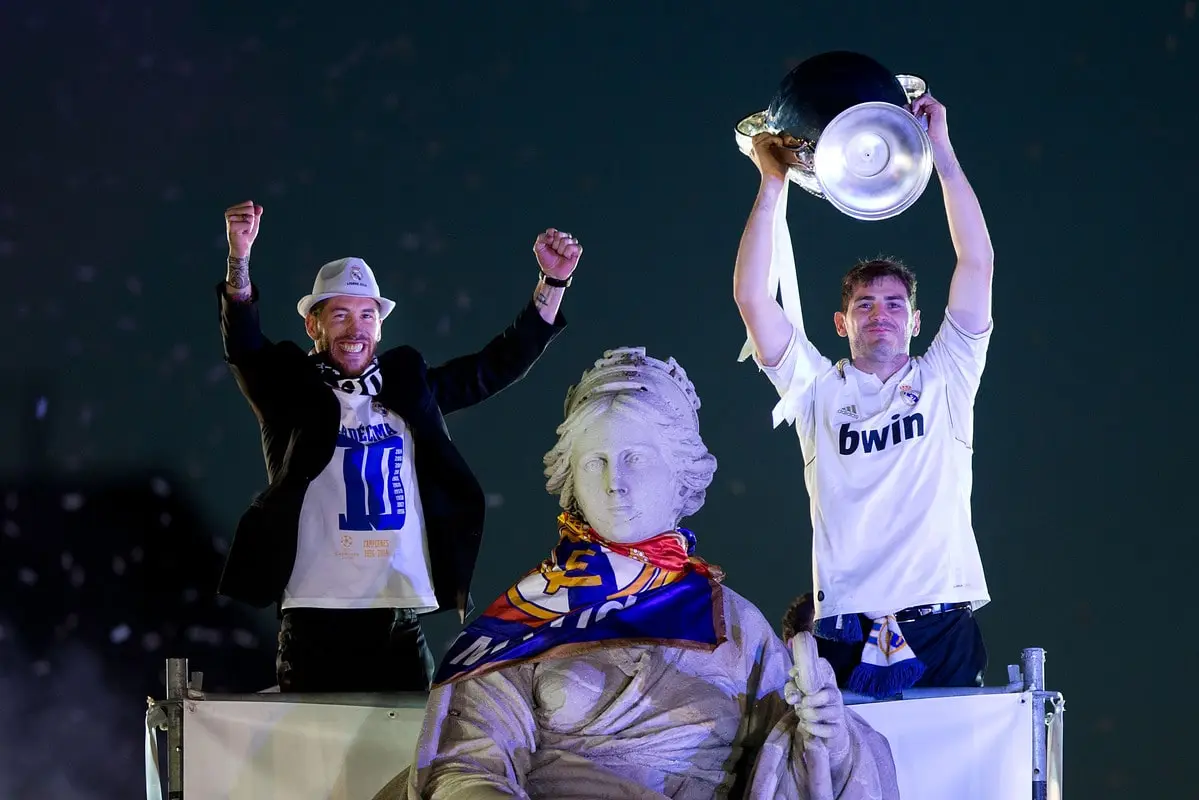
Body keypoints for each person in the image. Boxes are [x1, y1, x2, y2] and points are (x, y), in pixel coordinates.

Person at [377, 347, 899, 799]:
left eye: (636, 459)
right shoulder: (525, 616)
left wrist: (828, 738)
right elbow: (464, 766)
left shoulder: (736, 627)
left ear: (681, 476)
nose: (615, 484)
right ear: (571, 481)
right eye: (595, 462)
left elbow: (799, 766)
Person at [215, 199, 579, 693]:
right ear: (313, 326)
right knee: (312, 762)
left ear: (380, 327)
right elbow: (244, 346)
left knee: (408, 764)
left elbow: (493, 367)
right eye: (339, 314)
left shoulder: (409, 388)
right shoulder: (289, 391)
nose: (354, 328)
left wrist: (552, 285)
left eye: (366, 315)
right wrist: (240, 257)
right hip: (315, 619)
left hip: (398, 619)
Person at [733, 92, 995, 697]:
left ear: (916, 320)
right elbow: (752, 299)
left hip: (940, 622)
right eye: (864, 305)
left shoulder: (946, 378)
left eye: (895, 304)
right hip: (843, 631)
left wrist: (944, 154)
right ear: (841, 323)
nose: (881, 314)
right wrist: (773, 182)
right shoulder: (817, 392)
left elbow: (976, 261)